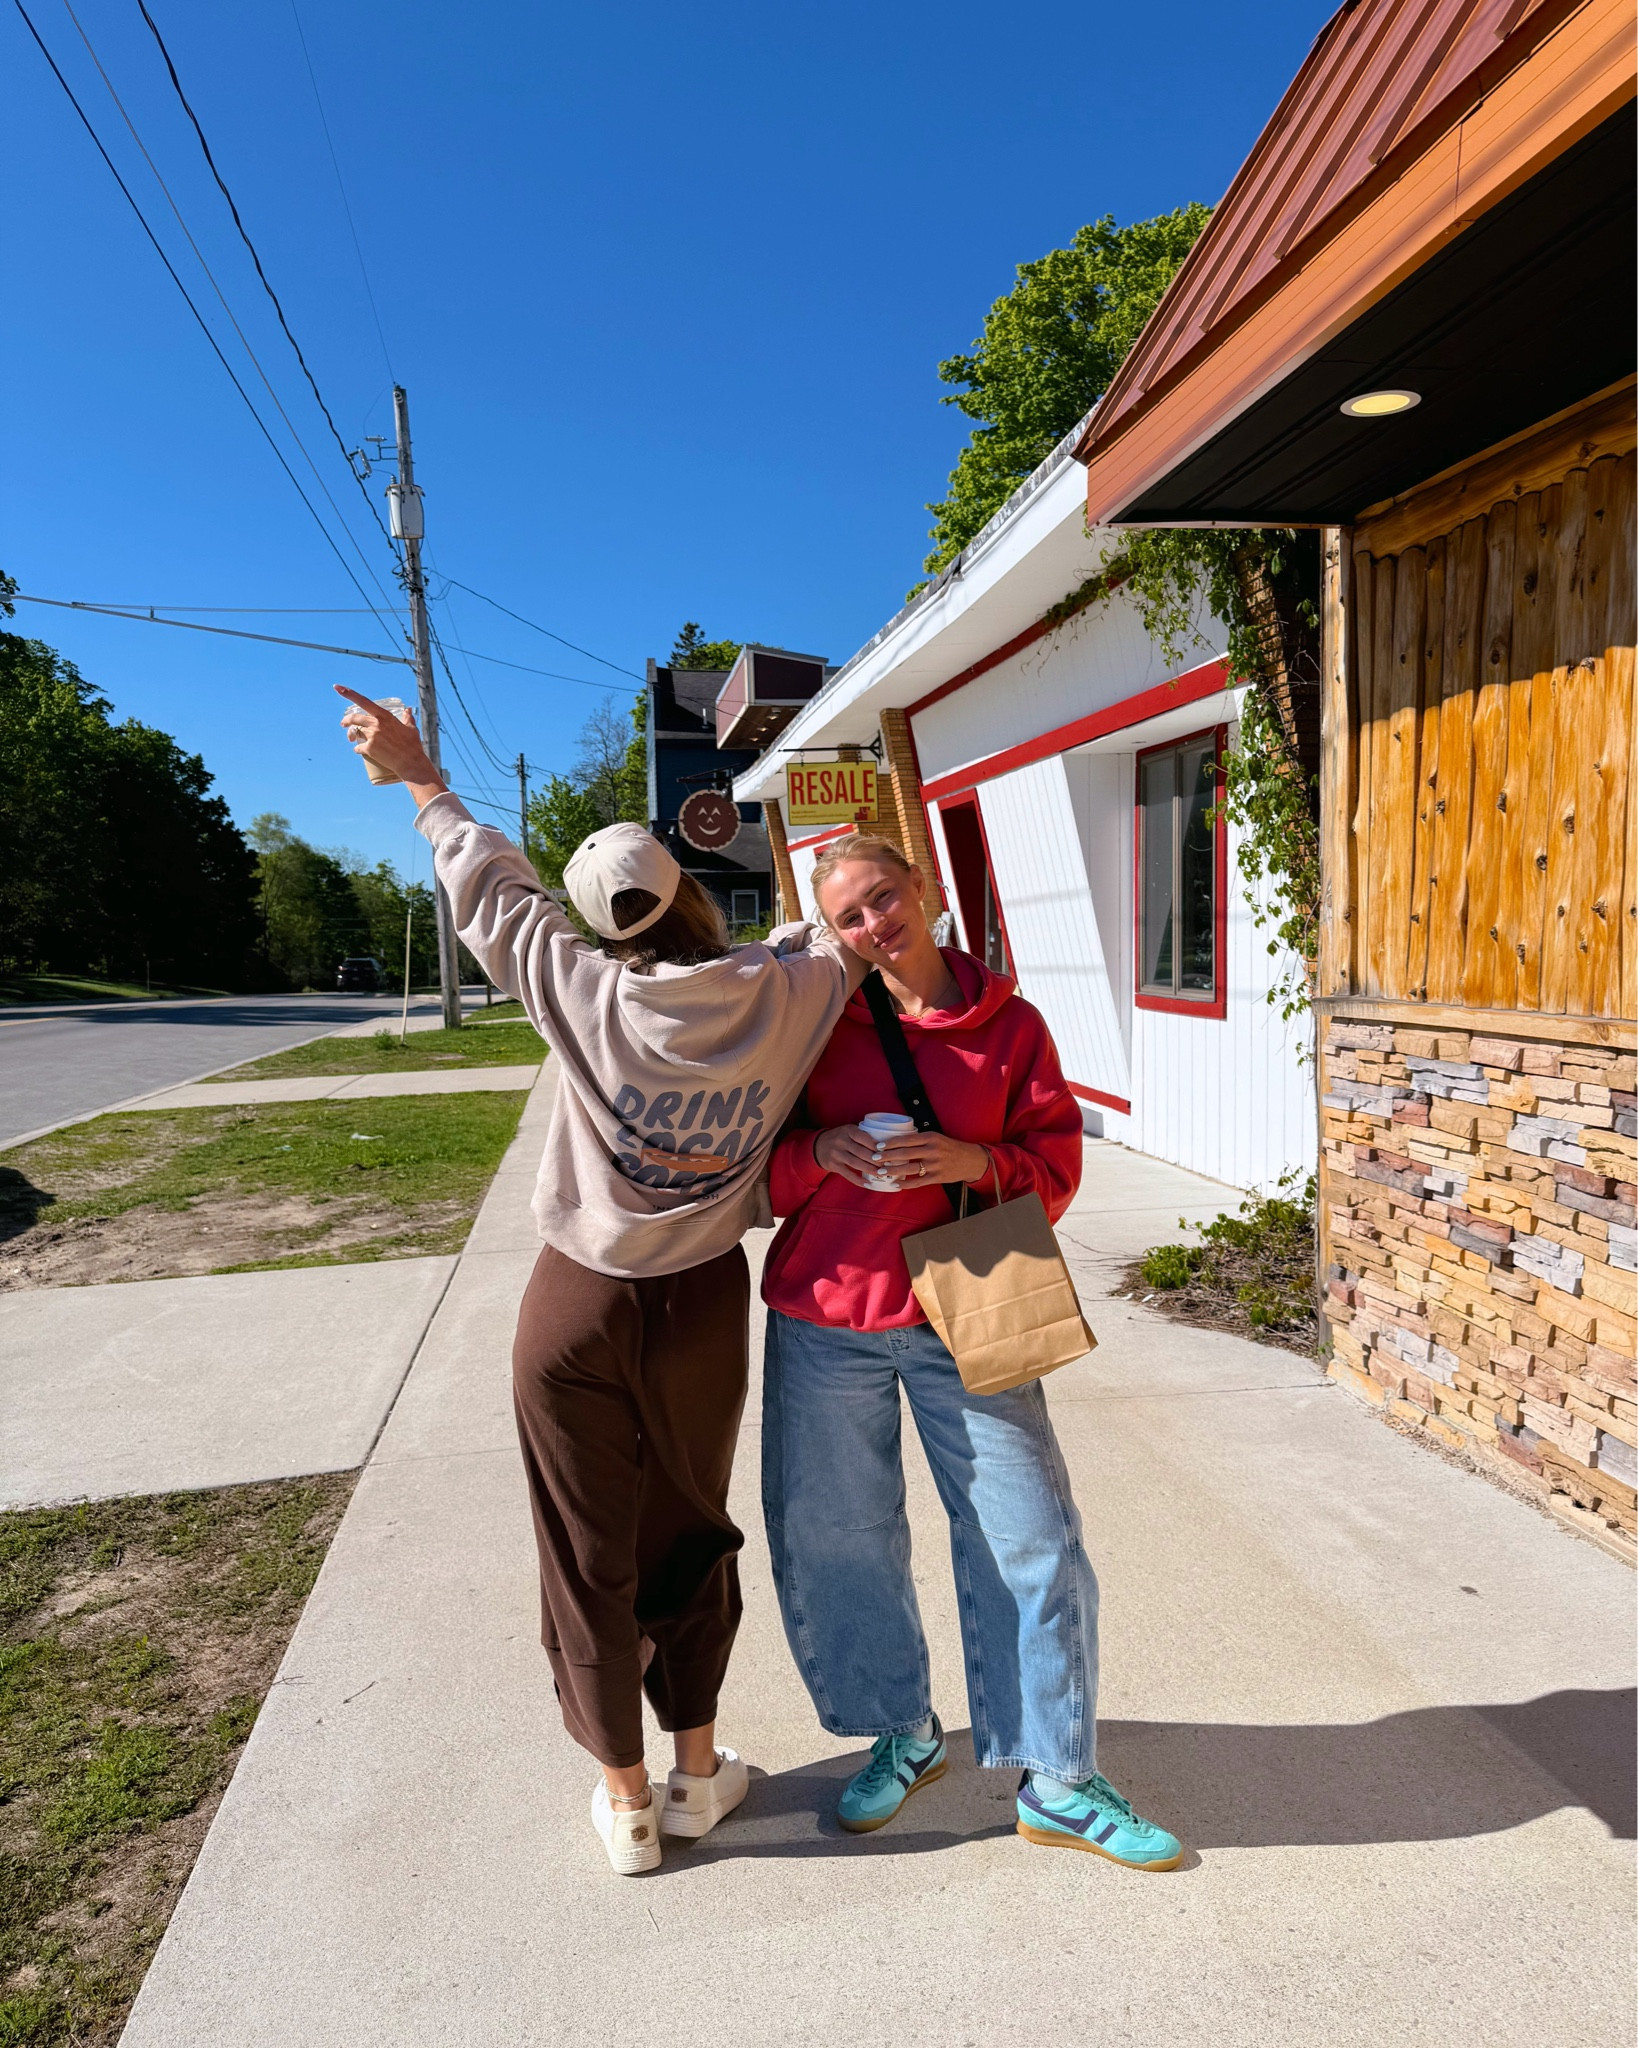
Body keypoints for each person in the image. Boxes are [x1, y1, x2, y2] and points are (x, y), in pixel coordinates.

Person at [335, 685, 863, 1875]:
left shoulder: (581, 989)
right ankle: (695, 1772)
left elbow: (489, 885)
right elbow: (846, 928)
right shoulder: (788, 991)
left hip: (575, 1302)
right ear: (684, 893)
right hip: (702, 1306)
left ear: (604, 926)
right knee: (690, 1527)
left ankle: (622, 1801)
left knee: (585, 1547)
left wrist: (418, 774)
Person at [760, 834, 1182, 1868]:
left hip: (974, 1304)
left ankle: (1058, 1777)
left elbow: (1056, 1165)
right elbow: (752, 1173)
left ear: (928, 889)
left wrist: (972, 1160)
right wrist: (817, 1152)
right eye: (848, 916)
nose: (872, 925)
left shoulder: (1012, 1025)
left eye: (883, 898)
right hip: (827, 1313)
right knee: (837, 1536)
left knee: (1031, 1537)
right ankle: (901, 1731)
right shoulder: (811, 1025)